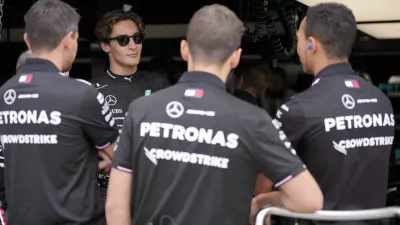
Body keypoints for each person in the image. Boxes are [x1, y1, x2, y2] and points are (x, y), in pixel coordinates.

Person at [106, 4, 323, 225]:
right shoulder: (253, 120)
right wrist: (260, 203)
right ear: (236, 58)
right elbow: (309, 199)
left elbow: (115, 206)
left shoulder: (140, 110)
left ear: (184, 49)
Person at [255, 3, 395, 225]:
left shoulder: (298, 109)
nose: (298, 50)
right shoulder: (382, 101)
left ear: (312, 45)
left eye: (299, 41)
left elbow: (262, 185)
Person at [0, 0, 118, 224]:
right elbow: (119, 158)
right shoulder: (82, 94)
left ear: (27, 40)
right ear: (70, 39)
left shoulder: (4, 94)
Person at [92, 9, 170, 201]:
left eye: (137, 38)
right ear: (105, 46)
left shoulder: (158, 82)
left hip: (152, 187)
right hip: (104, 191)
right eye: (123, 40)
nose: (133, 46)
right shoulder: (92, 90)